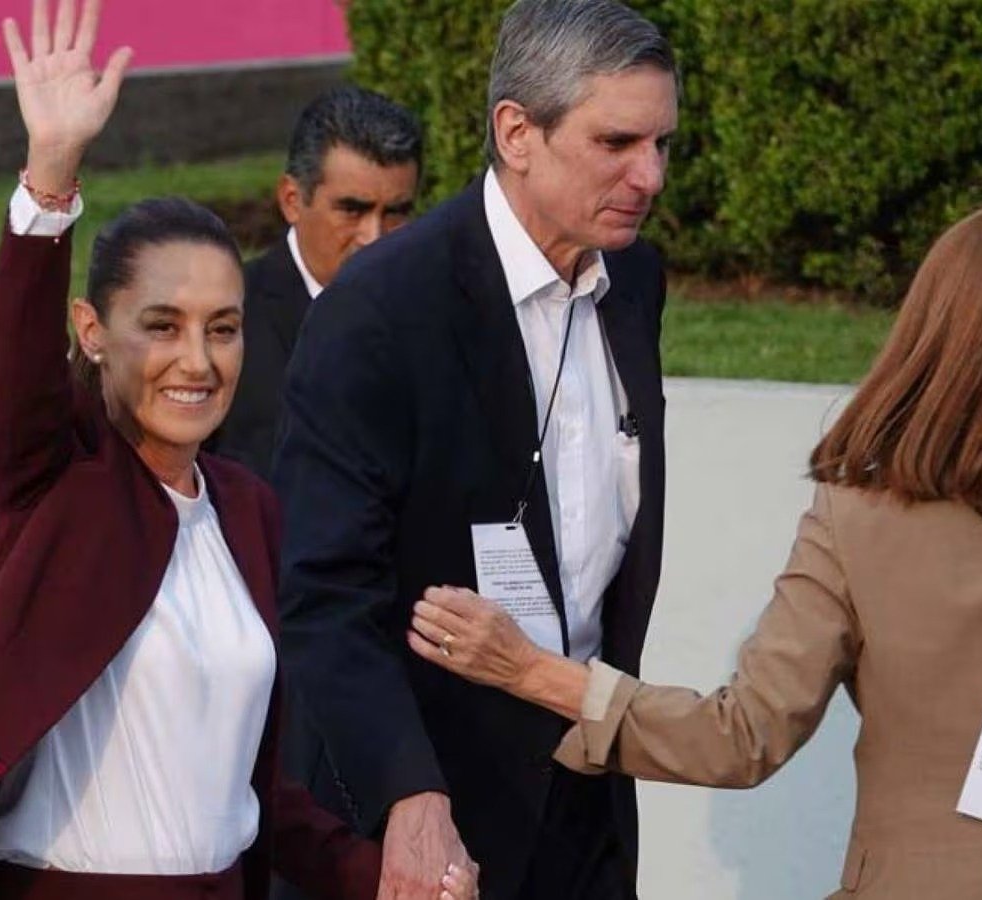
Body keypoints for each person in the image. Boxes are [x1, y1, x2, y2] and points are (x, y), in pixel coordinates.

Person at [0, 3, 476, 899]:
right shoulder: (55, 482)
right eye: (163, 326)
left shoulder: (247, 509)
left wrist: (384, 878)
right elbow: (17, 362)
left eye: (223, 328)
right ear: (92, 332)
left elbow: (255, 793)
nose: (198, 361)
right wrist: (50, 177)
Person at [412, 201, 982, 900]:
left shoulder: (861, 519)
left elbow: (742, 734)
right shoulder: (859, 516)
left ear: (932, 332)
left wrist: (531, 672)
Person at [271, 0, 677, 896]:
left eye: (662, 145)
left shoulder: (634, 278)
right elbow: (324, 590)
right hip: (427, 815)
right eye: (616, 142)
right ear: (516, 132)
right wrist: (408, 794)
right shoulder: (382, 307)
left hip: (586, 800)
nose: (648, 175)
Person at [208, 85, 421, 481]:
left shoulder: (440, 316)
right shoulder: (223, 319)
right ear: (292, 199)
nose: (374, 237)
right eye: (352, 210)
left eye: (396, 212)